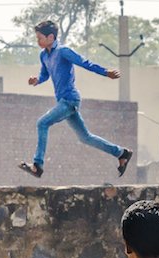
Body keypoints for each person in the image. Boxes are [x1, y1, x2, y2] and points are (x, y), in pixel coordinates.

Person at [19, 20, 133, 179]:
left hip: (70, 100)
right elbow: (45, 74)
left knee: (42, 123)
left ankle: (37, 165)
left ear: (50, 37)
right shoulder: (43, 55)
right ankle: (121, 153)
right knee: (85, 137)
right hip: (63, 102)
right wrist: (37, 80)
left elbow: (84, 63)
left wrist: (105, 72)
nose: (37, 41)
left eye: (40, 38)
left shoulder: (63, 51)